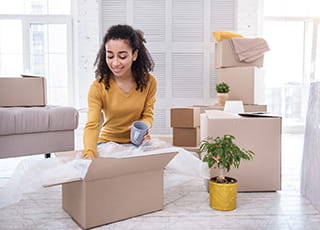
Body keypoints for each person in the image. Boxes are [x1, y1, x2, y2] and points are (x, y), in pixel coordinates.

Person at [82, 24, 157, 158]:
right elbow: (92, 125)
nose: (115, 63)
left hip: (139, 143)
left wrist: (143, 126)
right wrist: (89, 153)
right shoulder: (98, 87)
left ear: (134, 55)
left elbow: (148, 115)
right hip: (108, 144)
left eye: (122, 56)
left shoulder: (149, 82)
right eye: (110, 56)